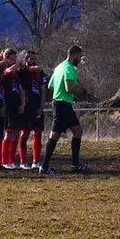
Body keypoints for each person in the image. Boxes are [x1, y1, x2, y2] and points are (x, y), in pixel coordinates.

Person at [41, 44, 89, 174]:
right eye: (79, 57)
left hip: (64, 103)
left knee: (77, 131)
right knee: (55, 135)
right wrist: (80, 92)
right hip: (61, 104)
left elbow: (51, 86)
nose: (80, 60)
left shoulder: (59, 67)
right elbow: (69, 88)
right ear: (74, 55)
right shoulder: (68, 69)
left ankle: (75, 164)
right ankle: (44, 166)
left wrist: (64, 91)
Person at [0, 48, 25, 169]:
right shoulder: (5, 71)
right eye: (12, 59)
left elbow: (21, 89)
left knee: (16, 134)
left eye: (15, 58)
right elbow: (9, 71)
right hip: (9, 105)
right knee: (9, 133)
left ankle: (11, 159)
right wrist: (17, 64)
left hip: (17, 105)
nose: (14, 61)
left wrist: (22, 104)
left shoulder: (16, 75)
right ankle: (4, 160)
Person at [21, 51, 46, 169]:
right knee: (24, 133)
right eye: (30, 58)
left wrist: (41, 107)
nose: (33, 61)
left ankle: (36, 160)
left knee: (37, 133)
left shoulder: (41, 73)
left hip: (37, 106)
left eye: (35, 58)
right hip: (26, 106)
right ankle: (23, 160)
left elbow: (43, 90)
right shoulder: (23, 71)